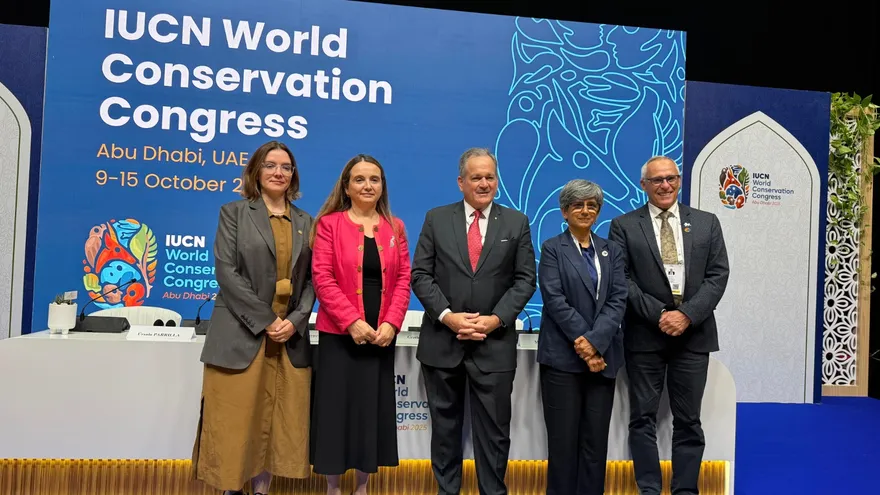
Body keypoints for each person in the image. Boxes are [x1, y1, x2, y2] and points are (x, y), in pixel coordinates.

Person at [192, 141, 316, 495]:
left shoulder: (307, 222)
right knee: (234, 424)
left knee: (278, 424)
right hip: (242, 335)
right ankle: (232, 490)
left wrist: (294, 320)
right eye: (271, 165)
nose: (279, 173)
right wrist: (266, 321)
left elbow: (312, 280)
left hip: (288, 339)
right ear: (256, 172)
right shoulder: (233, 212)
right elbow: (227, 273)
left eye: (286, 167)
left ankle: (262, 491)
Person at [411, 147, 537, 495]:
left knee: (495, 434)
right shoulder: (437, 218)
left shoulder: (517, 222)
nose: (484, 183)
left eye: (490, 177)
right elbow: (420, 275)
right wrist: (449, 317)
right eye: (476, 177)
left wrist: (496, 319)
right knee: (445, 432)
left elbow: (525, 280)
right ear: (460, 182)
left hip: (493, 345)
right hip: (442, 342)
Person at [608, 156, 730, 495]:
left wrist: (687, 315)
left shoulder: (706, 223)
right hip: (645, 336)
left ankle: (685, 490)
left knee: (689, 421)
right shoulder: (624, 225)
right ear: (643, 185)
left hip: (693, 336)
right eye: (657, 180)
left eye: (671, 178)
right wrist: (660, 314)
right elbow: (622, 278)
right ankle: (648, 489)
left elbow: (718, 275)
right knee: (642, 419)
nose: (665, 185)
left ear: (679, 181)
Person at [309, 154, 412, 495]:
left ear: (382, 186)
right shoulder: (329, 224)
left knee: (371, 411)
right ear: (347, 187)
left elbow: (403, 280)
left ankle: (363, 486)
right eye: (360, 179)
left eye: (375, 179)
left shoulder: (395, 227)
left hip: (380, 336)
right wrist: (351, 321)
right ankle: (333, 486)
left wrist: (392, 324)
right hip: (339, 335)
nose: (368, 185)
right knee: (336, 411)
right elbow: (322, 278)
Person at [536, 179, 628, 495]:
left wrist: (596, 343)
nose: (585, 210)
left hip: (603, 362)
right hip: (562, 361)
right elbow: (554, 298)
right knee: (562, 448)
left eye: (591, 205)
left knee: (594, 446)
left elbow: (618, 298)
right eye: (577, 204)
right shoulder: (552, 248)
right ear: (564, 211)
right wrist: (586, 346)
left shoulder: (612, 250)